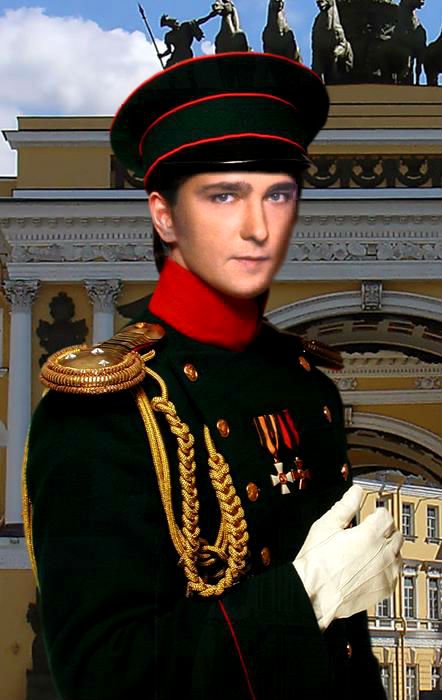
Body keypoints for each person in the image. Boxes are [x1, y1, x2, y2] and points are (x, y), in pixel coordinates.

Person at [23, 52, 402, 700]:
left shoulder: (307, 387)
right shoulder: (103, 412)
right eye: (223, 195)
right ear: (165, 215)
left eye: (277, 193)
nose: (257, 227)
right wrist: (306, 594)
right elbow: (104, 677)